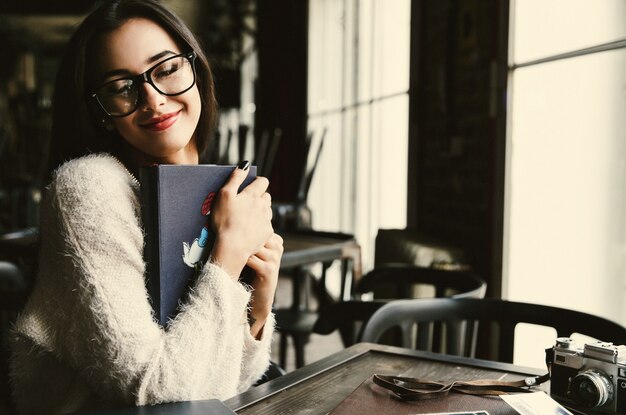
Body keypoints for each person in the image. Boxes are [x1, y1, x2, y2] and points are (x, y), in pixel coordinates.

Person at [8, 1, 283, 414]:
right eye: (121, 87)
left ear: (196, 69)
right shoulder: (88, 186)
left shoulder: (203, 188)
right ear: (102, 113)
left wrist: (258, 308)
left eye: (167, 69)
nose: (153, 99)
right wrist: (226, 260)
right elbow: (154, 395)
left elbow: (219, 386)